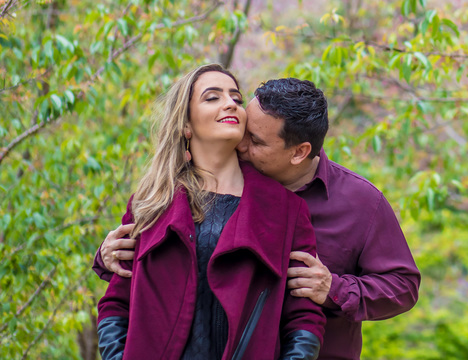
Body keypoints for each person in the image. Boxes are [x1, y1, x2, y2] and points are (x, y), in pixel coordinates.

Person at [97, 77, 419, 360]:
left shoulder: (357, 203)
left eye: (256, 141)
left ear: (298, 152)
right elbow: (135, 291)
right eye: (244, 129)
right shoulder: (182, 190)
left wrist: (334, 288)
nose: (241, 144)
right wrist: (110, 254)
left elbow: (403, 285)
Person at [96, 63, 323, 360]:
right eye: (212, 97)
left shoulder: (286, 210)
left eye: (236, 98)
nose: (230, 103)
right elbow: (115, 304)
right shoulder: (150, 203)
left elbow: (304, 318)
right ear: (186, 125)